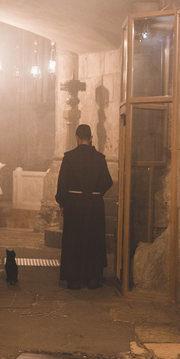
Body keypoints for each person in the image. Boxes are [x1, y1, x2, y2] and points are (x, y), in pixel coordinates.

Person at [55, 124, 113, 290]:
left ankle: (73, 279)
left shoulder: (69, 157)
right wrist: (95, 192)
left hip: (74, 204)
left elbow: (62, 183)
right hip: (94, 205)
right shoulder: (100, 158)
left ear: (76, 138)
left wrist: (62, 203)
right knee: (93, 240)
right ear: (91, 137)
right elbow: (107, 181)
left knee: (74, 240)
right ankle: (93, 278)